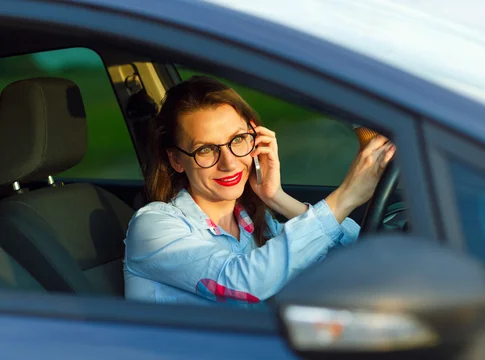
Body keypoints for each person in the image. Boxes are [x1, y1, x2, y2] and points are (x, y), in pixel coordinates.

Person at [123, 76, 396, 306]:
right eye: (206, 150)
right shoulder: (153, 226)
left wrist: (276, 197)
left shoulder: (254, 223)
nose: (229, 163)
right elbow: (243, 284)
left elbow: (357, 252)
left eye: (238, 140)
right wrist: (345, 197)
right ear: (176, 160)